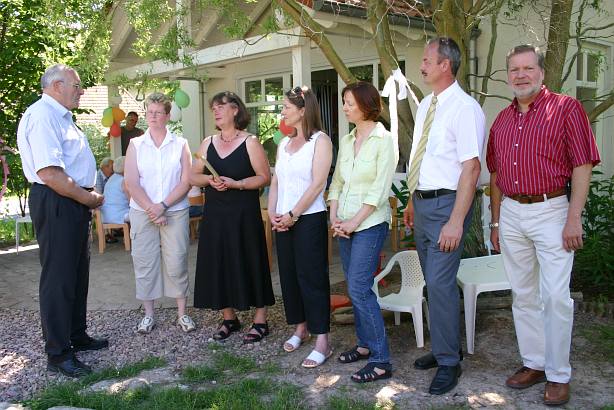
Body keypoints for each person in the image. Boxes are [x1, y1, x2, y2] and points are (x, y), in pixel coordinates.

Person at [486, 44, 600, 406]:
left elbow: (582, 164)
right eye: (514, 69)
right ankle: (534, 363)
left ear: (541, 72)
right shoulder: (502, 120)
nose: (521, 75)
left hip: (552, 210)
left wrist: (573, 217)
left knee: (555, 296)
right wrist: (496, 221)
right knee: (522, 294)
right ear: (508, 75)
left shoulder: (566, 108)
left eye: (528, 68)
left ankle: (558, 374)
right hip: (512, 213)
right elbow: (495, 174)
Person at [402, 37, 485, 395]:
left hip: (448, 207)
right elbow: (424, 159)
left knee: (439, 283)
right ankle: (442, 349)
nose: (421, 66)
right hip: (423, 204)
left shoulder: (465, 108)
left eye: (426, 60)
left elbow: (471, 168)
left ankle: (450, 362)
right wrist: (411, 200)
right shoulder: (426, 105)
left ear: (445, 66)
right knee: (433, 283)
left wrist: (455, 221)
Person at [17, 64, 108, 377]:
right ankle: (58, 354)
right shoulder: (43, 116)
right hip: (58, 200)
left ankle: (76, 335)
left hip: (72, 201)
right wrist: (89, 199)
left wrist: (86, 196)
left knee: (77, 274)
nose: (81, 91)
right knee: (59, 279)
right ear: (57, 86)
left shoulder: (61, 116)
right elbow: (51, 174)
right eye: (77, 85)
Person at [191, 91, 274, 344]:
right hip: (215, 215)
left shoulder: (250, 142)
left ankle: (260, 319)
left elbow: (264, 177)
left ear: (235, 109)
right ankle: (229, 317)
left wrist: (237, 183)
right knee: (219, 261)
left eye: (221, 106)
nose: (215, 111)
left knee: (251, 259)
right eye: (213, 108)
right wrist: (209, 179)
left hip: (243, 214)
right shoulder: (207, 142)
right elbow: (192, 176)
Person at [328, 81, 397, 383]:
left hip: (369, 224)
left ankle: (381, 361)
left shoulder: (385, 140)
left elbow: (379, 191)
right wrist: (334, 217)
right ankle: (365, 345)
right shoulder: (347, 140)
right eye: (344, 102)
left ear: (366, 105)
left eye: (349, 103)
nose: (344, 107)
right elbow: (337, 182)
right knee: (355, 287)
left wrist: (353, 222)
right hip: (344, 223)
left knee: (358, 287)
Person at [268, 86, 333, 367]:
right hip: (283, 219)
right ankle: (300, 328)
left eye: (286, 107)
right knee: (290, 276)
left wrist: (293, 214)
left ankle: (322, 341)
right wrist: (273, 213)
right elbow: (276, 181)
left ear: (303, 110)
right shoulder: (284, 144)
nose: (282, 111)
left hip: (308, 218)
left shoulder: (321, 141)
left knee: (312, 278)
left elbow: (318, 184)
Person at [124, 92, 195, 334]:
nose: (153, 116)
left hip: (174, 211)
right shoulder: (136, 145)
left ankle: (182, 313)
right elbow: (132, 182)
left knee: (177, 260)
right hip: (142, 211)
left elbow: (186, 181)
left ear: (167, 115)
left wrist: (162, 206)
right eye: (149, 112)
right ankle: (148, 315)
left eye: (158, 112)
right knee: (145, 262)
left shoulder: (180, 144)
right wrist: (152, 209)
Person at [100, 156, 130, 224]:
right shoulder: (124, 180)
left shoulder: (111, 179)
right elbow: (131, 201)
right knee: (139, 214)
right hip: (118, 216)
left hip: (105, 216)